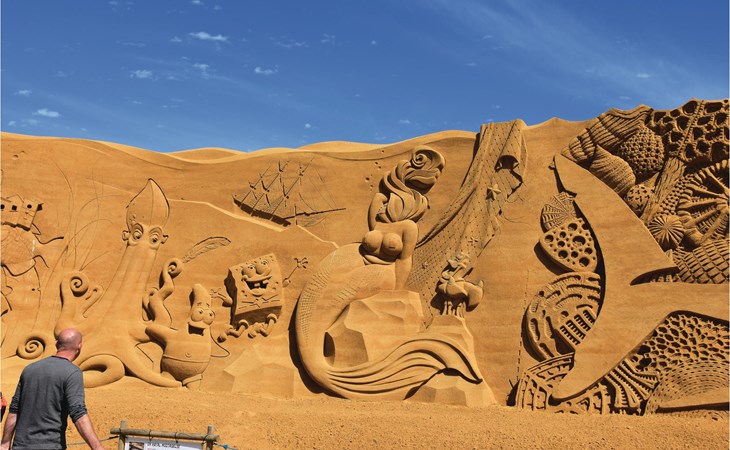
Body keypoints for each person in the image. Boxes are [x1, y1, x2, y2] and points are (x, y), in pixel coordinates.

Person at [1, 328, 105, 450]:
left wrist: (4, 444)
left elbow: (14, 410)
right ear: (79, 346)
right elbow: (78, 413)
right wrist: (97, 447)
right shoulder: (72, 372)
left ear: (57, 345)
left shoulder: (29, 369)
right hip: (50, 445)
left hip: (21, 446)